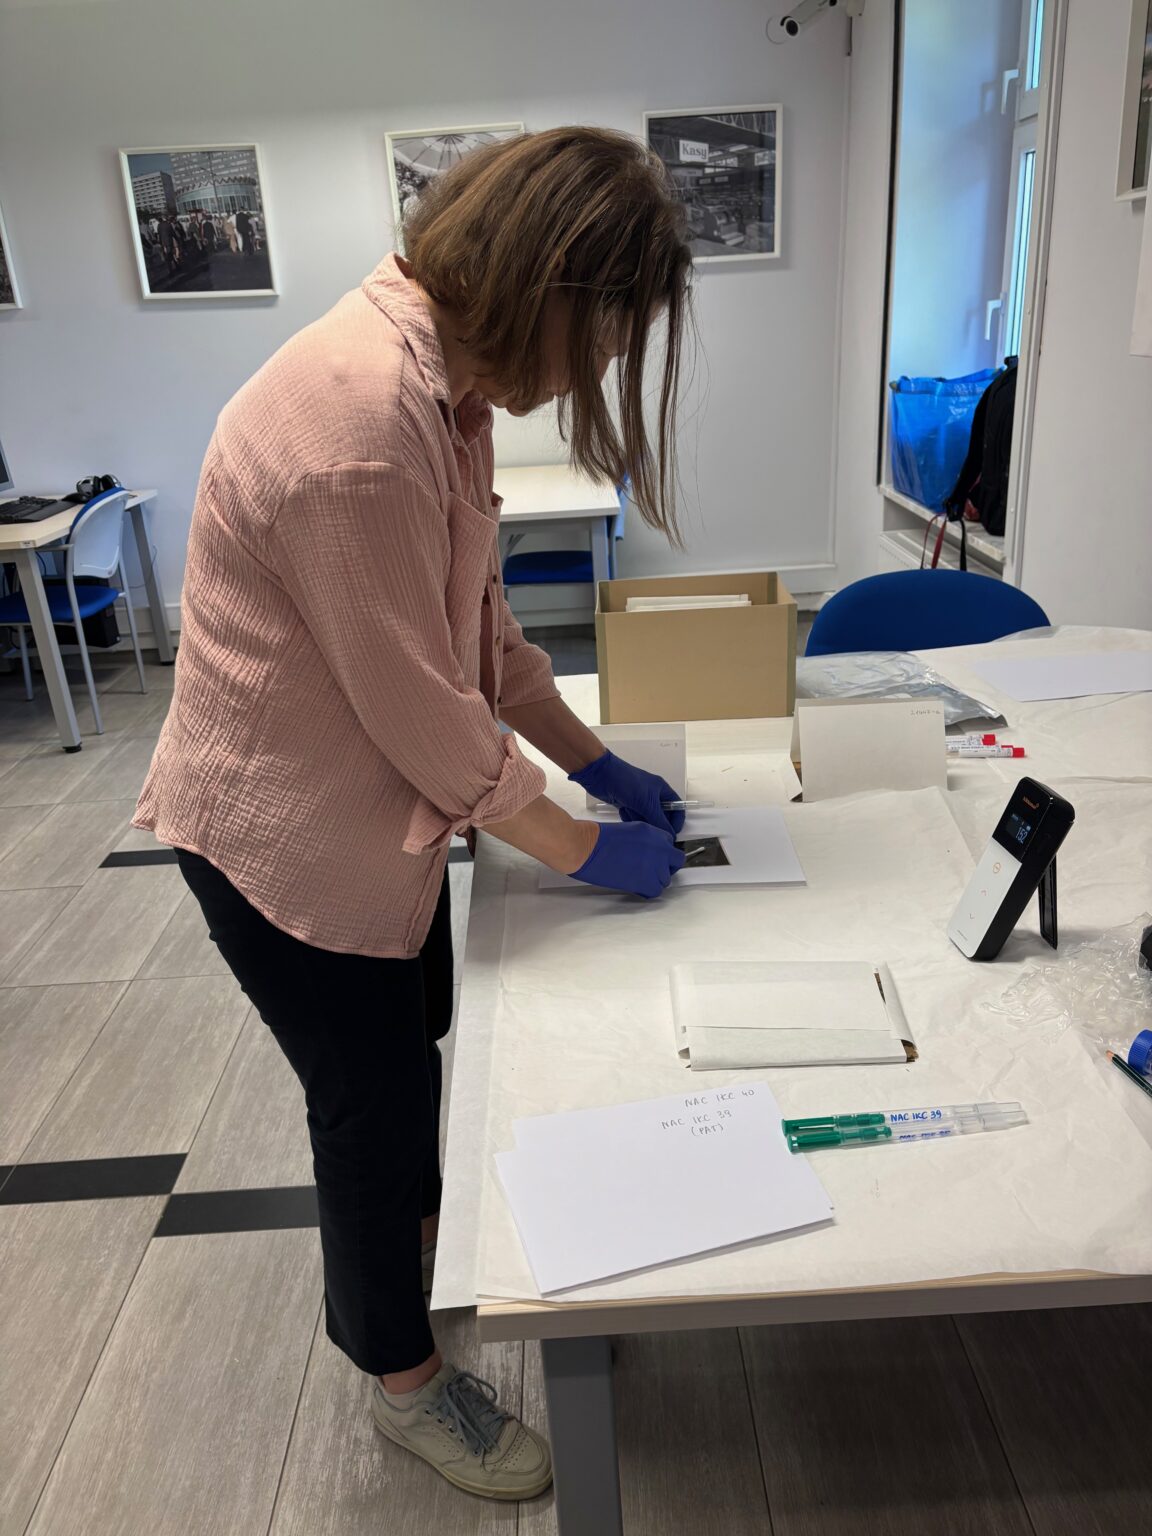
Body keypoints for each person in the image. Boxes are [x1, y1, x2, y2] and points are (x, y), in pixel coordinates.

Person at [133, 126, 692, 1504]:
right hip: (282, 843)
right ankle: (404, 1380)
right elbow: (427, 719)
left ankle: (427, 1257)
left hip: (366, 820)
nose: (594, 368)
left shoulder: (449, 395)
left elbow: (481, 641)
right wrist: (583, 845)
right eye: (599, 332)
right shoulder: (360, 429)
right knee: (369, 1111)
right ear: (543, 283)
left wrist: (597, 763)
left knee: (422, 1045)